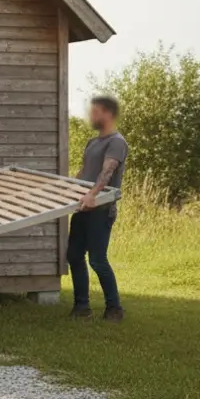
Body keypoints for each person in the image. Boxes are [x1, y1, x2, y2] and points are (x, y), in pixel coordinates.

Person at [68, 95, 128, 321]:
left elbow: (107, 171)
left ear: (108, 114)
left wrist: (93, 195)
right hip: (83, 208)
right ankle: (82, 307)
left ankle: (114, 308)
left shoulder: (117, 142)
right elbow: (84, 173)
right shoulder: (92, 142)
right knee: (73, 255)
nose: (91, 116)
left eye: (95, 112)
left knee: (97, 259)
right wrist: (70, 190)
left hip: (101, 210)